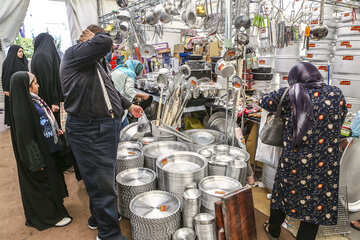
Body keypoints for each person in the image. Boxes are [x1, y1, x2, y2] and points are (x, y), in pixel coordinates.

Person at [60, 25, 143, 240]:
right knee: (103, 185)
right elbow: (106, 42)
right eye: (97, 41)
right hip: (90, 129)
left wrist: (127, 105)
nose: (105, 49)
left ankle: (98, 218)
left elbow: (110, 89)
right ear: (89, 41)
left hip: (101, 127)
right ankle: (109, 235)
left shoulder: (94, 62)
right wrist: (100, 37)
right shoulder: (73, 54)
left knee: (99, 180)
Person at [259, 62, 347, 240]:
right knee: (316, 204)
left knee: (282, 194)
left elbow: (264, 101)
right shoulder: (336, 93)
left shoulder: (290, 94)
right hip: (325, 162)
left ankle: (274, 230)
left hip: (295, 159)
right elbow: (342, 115)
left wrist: (289, 89)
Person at [9, 71, 71, 230]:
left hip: (48, 149)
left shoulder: (34, 101)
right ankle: (50, 217)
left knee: (52, 179)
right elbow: (26, 139)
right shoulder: (23, 108)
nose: (38, 85)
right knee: (43, 183)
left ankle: (56, 210)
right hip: (39, 156)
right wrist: (36, 161)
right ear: (26, 87)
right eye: (35, 83)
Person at [31, 33, 63, 125]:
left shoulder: (41, 55)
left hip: (48, 98)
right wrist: (54, 101)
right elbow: (48, 80)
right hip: (50, 100)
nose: (54, 44)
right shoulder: (43, 56)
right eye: (52, 42)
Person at [111, 59, 149, 128]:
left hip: (112, 100)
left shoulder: (118, 69)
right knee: (124, 126)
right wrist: (143, 95)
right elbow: (129, 91)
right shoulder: (130, 73)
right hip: (120, 103)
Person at [1, 45, 28, 126]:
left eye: (22, 51)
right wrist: (6, 89)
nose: (21, 53)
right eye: (19, 52)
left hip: (22, 88)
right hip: (12, 89)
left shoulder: (23, 61)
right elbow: (5, 76)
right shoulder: (8, 62)